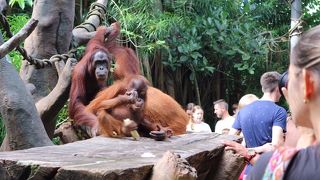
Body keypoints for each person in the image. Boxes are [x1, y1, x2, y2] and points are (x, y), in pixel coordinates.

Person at [227, 71, 287, 178]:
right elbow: (276, 146)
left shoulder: (243, 111)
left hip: (248, 172)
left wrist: (249, 151)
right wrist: (262, 148)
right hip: (268, 169)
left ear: (263, 88)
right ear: (278, 88)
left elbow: (229, 141)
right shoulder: (279, 111)